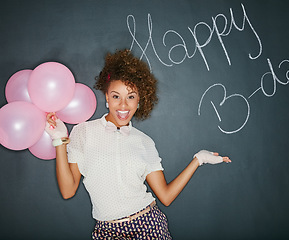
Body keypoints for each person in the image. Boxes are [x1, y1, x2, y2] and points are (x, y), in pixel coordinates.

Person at [45, 49, 231, 239]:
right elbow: (68, 191)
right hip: (107, 231)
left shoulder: (144, 142)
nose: (123, 105)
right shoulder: (84, 132)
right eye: (116, 96)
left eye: (131, 97)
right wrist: (59, 139)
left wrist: (198, 160)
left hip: (148, 225)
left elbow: (165, 197)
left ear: (140, 100)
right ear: (107, 97)